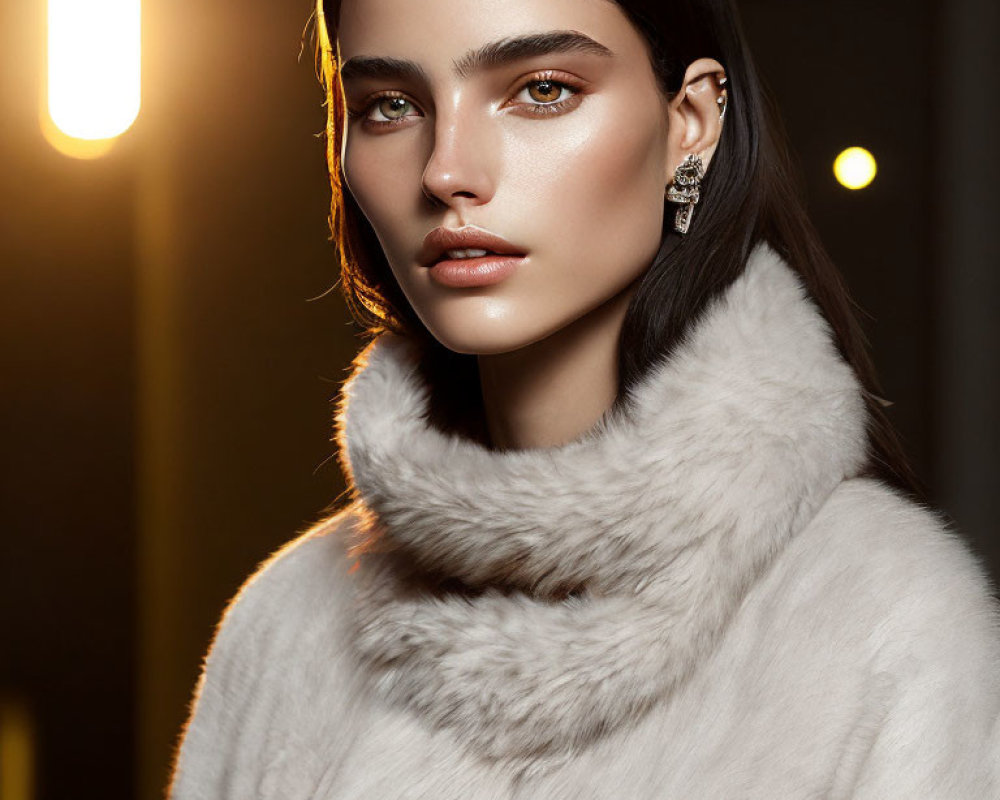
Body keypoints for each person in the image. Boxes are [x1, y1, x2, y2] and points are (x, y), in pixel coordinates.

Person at [168, 0, 1000, 796]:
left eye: (541, 90)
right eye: (390, 105)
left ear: (692, 124)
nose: (448, 170)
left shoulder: (884, 620)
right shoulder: (284, 628)